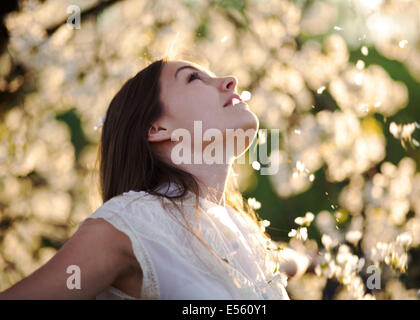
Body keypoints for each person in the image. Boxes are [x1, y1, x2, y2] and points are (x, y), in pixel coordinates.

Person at [0, 57, 292, 300]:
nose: (230, 81)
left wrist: (311, 260)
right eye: (193, 78)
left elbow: (283, 264)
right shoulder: (131, 223)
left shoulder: (247, 233)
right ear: (157, 128)